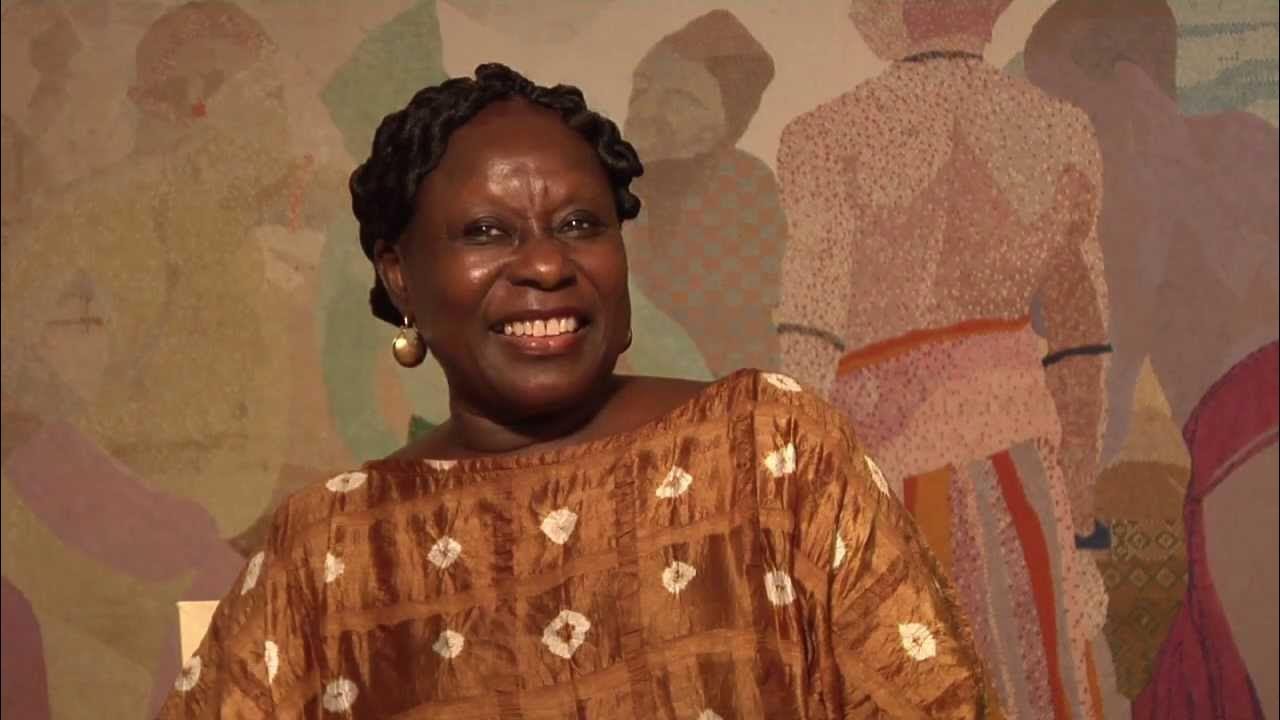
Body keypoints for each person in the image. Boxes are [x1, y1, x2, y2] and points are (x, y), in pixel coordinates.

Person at [156, 63, 991, 718]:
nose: (547, 264)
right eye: (486, 232)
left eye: (580, 224)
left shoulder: (770, 451)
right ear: (400, 274)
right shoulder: (330, 549)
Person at [774, 1, 1112, 717]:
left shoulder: (826, 134)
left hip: (876, 470)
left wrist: (793, 509)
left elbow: (809, 334)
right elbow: (1082, 344)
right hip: (1021, 464)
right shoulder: (1060, 130)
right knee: (1024, 681)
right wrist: (1081, 526)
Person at [1026, 2, 1280, 717]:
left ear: (1125, 80)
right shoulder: (1250, 137)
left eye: (1064, 106)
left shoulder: (1127, 183)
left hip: (1246, 440)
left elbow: (1109, 361)